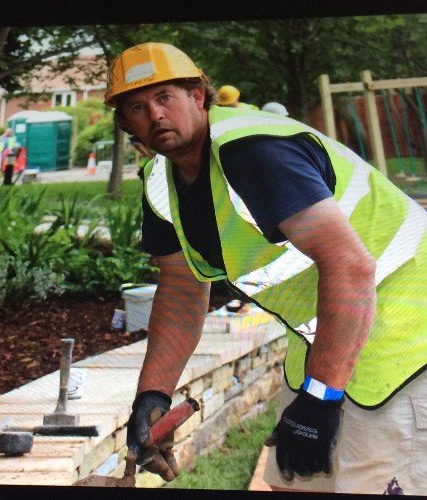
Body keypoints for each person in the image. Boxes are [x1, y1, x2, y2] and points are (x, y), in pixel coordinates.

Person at [104, 42, 426, 495]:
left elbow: (351, 267)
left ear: (198, 96)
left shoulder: (252, 151)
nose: (155, 115)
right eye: (137, 107)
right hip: (331, 329)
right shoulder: (160, 182)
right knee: (292, 482)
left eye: (165, 98)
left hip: (408, 334)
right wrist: (153, 396)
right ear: (126, 123)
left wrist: (320, 398)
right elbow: (180, 290)